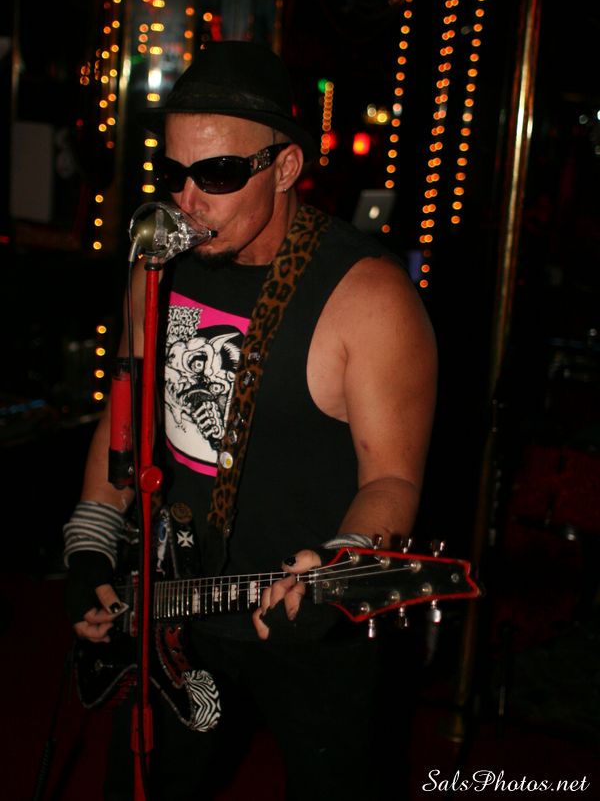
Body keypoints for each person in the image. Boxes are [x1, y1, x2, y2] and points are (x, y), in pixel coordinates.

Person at [63, 40, 437, 800]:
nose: (187, 199)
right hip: (175, 611)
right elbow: (126, 415)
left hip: (306, 621)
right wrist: (90, 545)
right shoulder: (160, 262)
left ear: (287, 167)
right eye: (173, 173)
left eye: (219, 174)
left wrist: (338, 567)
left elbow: (393, 479)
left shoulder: (370, 299)